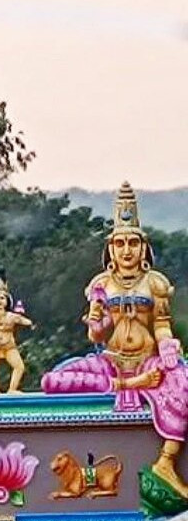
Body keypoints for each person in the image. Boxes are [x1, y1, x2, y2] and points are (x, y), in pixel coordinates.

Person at [42, 182, 188, 497]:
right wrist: (95, 326)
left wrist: (166, 346)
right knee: (52, 381)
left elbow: (161, 325)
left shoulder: (155, 283)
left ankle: (166, 461)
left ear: (143, 247)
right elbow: (97, 333)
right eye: (119, 243)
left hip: (150, 362)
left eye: (132, 243)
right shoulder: (101, 285)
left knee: (183, 385)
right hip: (112, 365)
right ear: (110, 249)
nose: (126, 251)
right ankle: (126, 387)